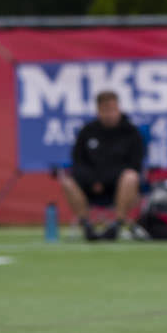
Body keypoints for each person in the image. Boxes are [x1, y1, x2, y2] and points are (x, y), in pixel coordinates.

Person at [60, 91, 149, 242]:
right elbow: (78, 162)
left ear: (118, 108)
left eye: (112, 109)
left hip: (120, 186)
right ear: (98, 110)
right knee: (67, 180)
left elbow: (135, 165)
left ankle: (117, 225)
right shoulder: (87, 131)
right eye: (105, 110)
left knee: (130, 176)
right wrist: (93, 181)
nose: (109, 114)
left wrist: (104, 181)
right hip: (90, 186)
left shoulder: (131, 132)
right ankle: (86, 225)